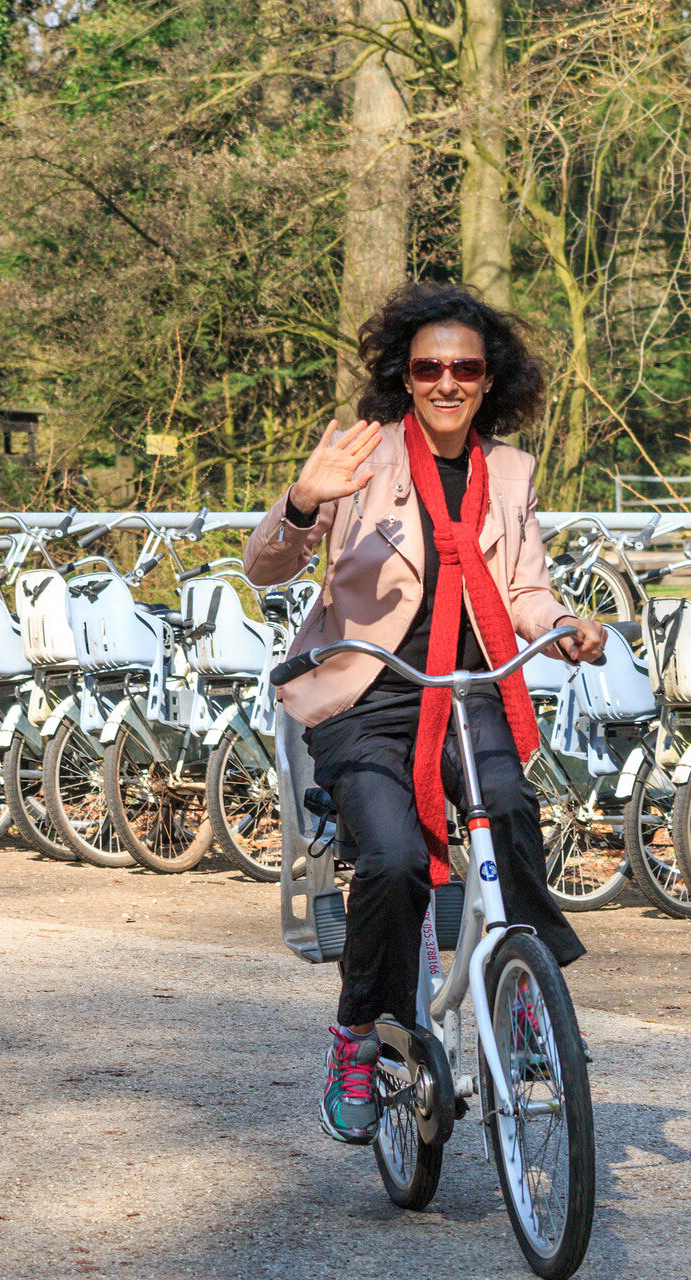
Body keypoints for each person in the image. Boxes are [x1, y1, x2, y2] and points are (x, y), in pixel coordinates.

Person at [242, 282, 604, 1145]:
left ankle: (526, 998)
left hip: (470, 684)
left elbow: (524, 588)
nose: (447, 381)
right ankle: (359, 1035)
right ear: (404, 377)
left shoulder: (509, 472)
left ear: (489, 381)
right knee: (397, 861)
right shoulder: (360, 456)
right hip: (370, 693)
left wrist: (561, 627)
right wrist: (301, 500)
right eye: (428, 367)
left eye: (465, 368)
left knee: (512, 808)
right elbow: (264, 568)